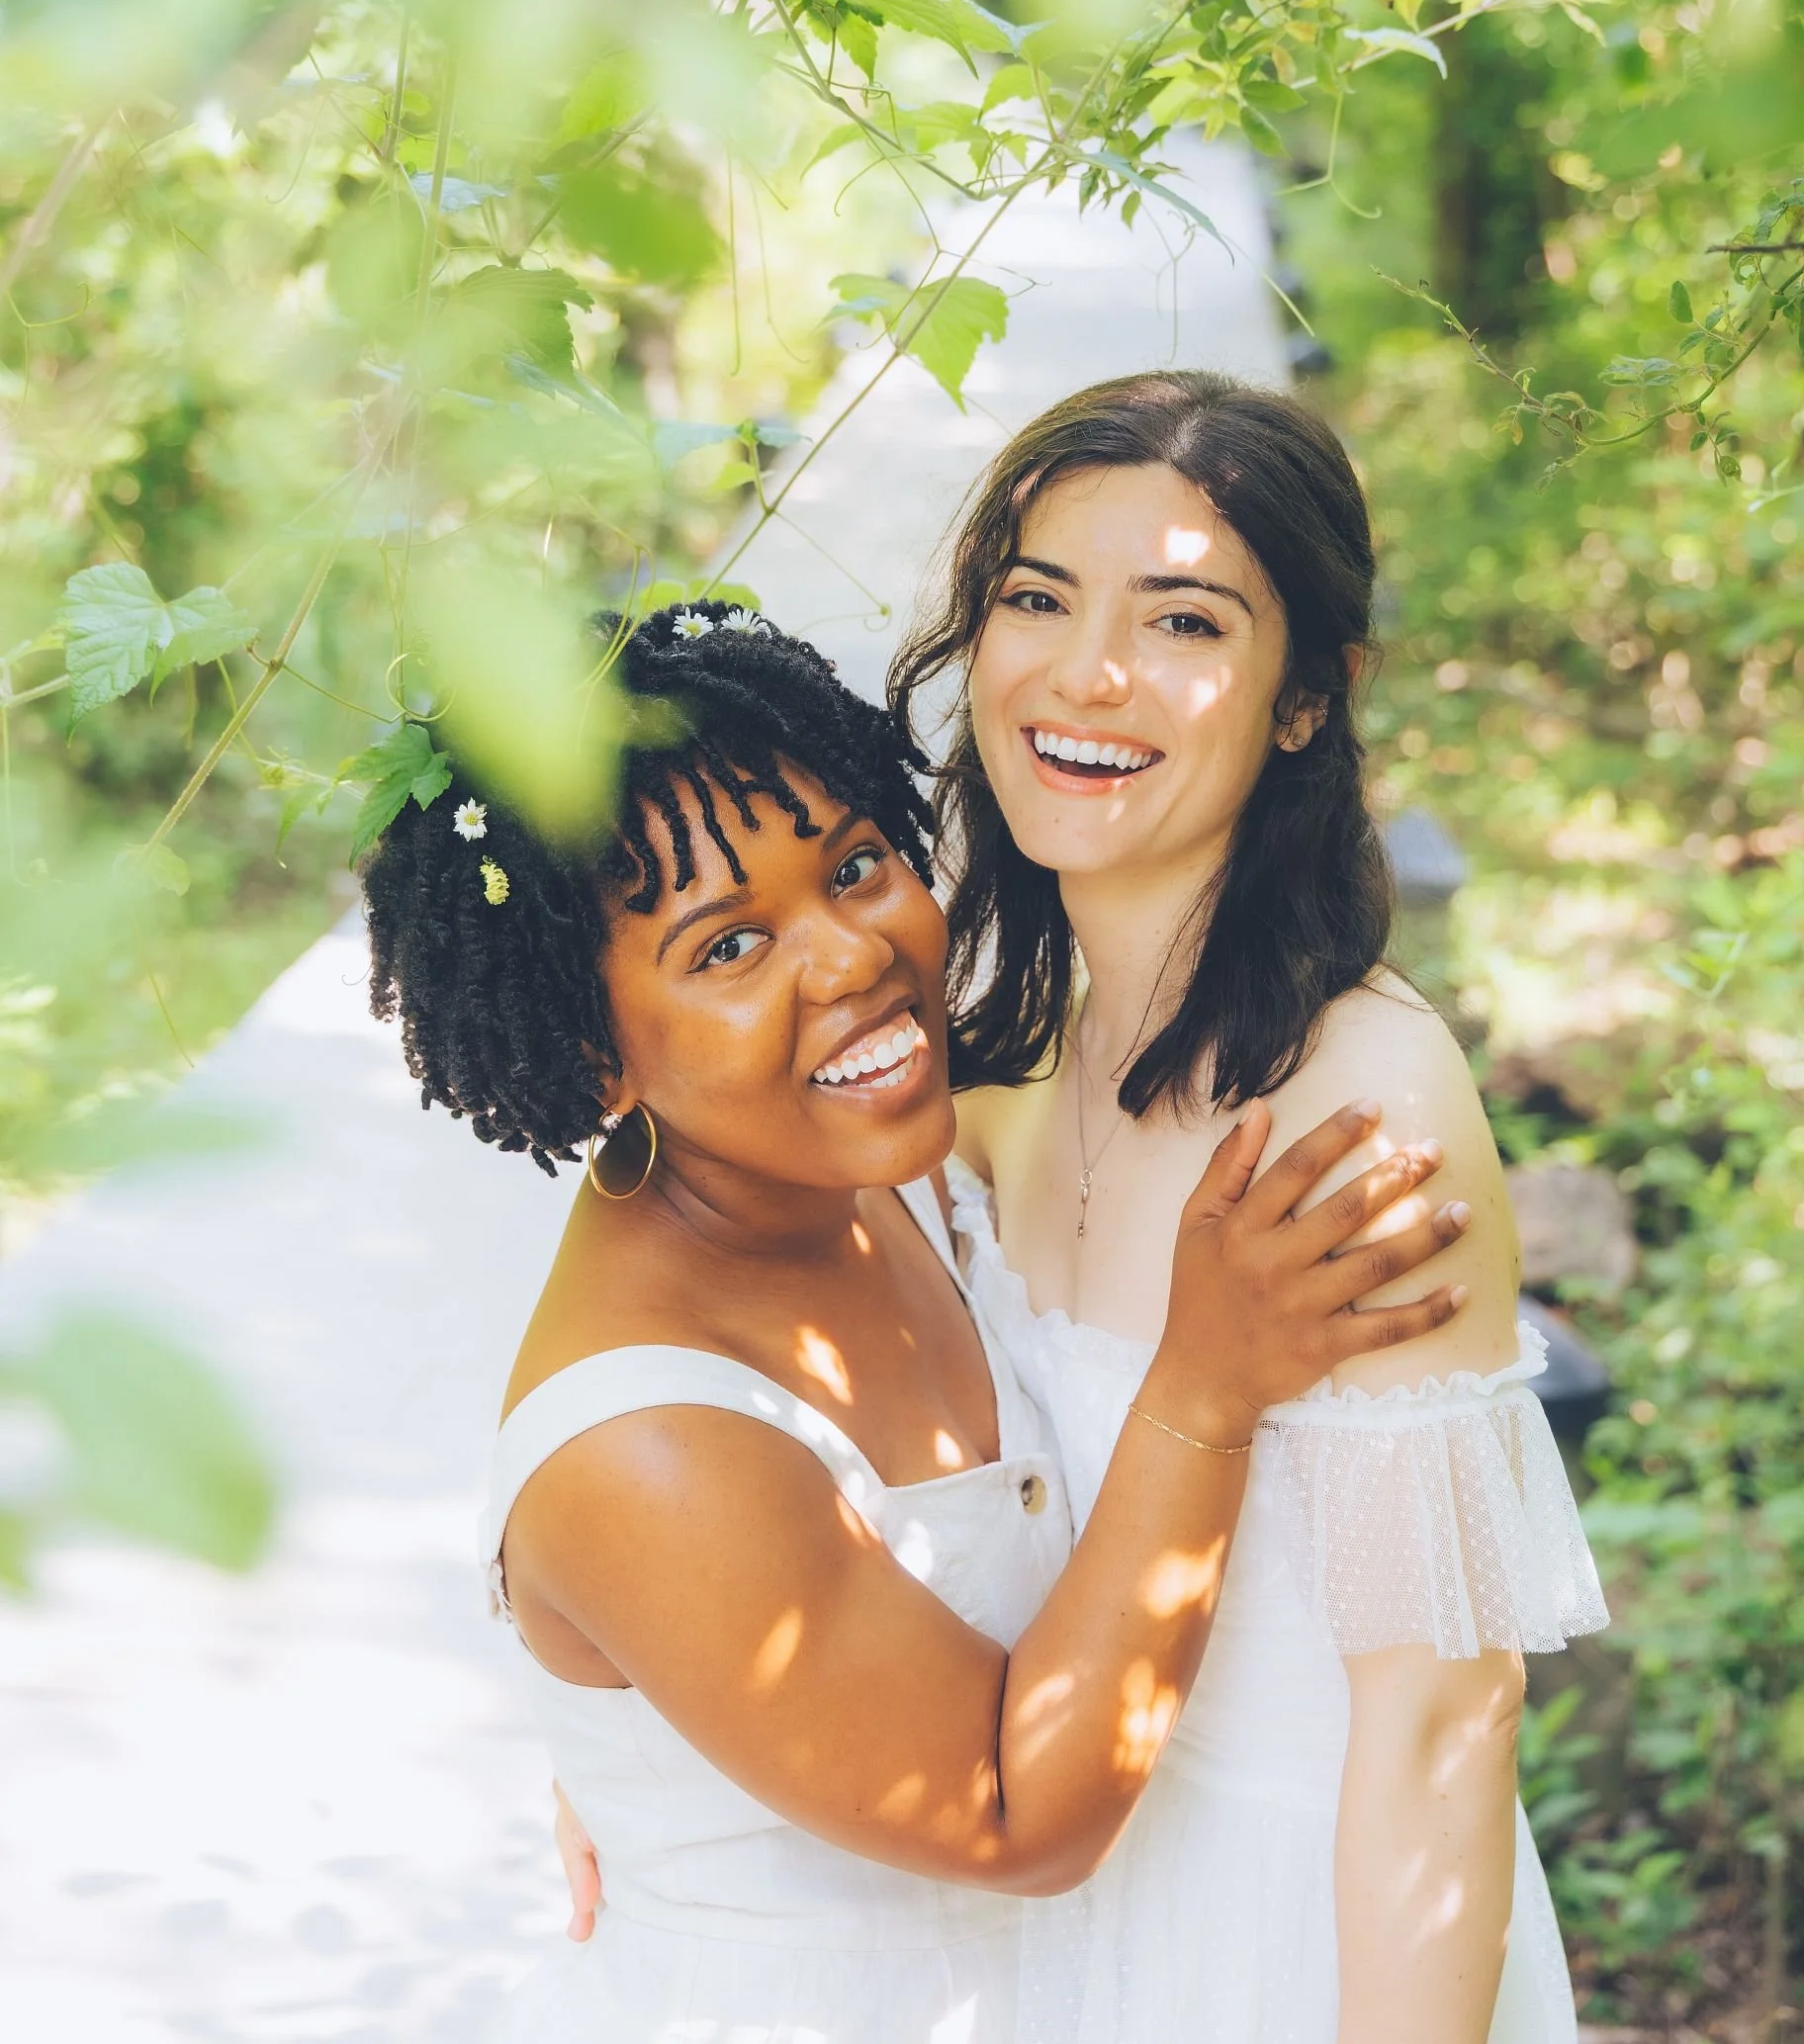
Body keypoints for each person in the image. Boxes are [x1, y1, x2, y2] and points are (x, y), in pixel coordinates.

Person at [362, 600, 1471, 2044]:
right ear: (591, 1053)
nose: (851, 958)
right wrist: (1208, 1385)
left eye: (860, 865)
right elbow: (1019, 1819)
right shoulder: (647, 1450)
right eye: (728, 949)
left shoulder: (884, 1167)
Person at [886, 369, 1609, 2044]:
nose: (1088, 674)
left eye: (1187, 621)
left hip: (1306, 1947)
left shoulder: (1357, 1106)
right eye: (1037, 600)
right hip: (1062, 1914)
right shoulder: (1012, 1074)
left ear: (1307, 699)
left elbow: (1441, 1723)